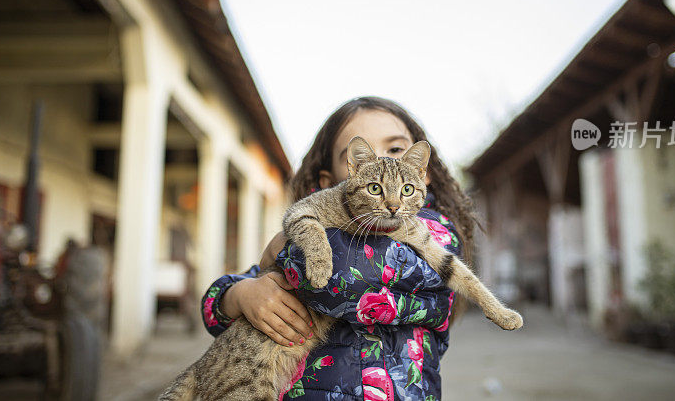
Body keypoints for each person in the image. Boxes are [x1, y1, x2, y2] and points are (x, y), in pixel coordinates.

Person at [200, 96, 480, 400]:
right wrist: (239, 295)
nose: (383, 167)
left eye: (396, 150)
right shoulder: (312, 230)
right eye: (360, 158)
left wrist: (282, 248)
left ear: (422, 172)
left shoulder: (437, 234)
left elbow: (349, 275)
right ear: (328, 182)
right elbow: (214, 311)